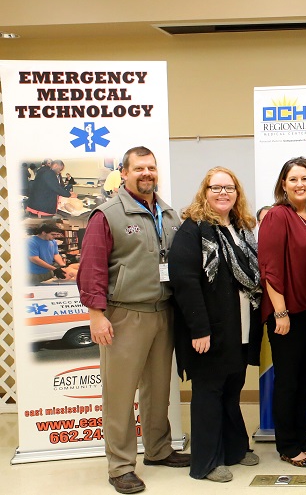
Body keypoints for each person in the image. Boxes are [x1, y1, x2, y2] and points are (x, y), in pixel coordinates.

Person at [77, 146, 189, 494]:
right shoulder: (107, 215)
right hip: (124, 314)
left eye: (151, 168)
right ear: (123, 173)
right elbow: (92, 268)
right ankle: (121, 466)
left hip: (163, 312)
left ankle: (158, 449)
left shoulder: (169, 214)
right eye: (139, 168)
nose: (146, 174)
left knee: (158, 389)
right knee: (120, 394)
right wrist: (96, 315)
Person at [169, 167, 263, 482]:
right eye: (216, 187)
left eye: (229, 188)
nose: (223, 193)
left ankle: (235, 448)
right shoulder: (192, 229)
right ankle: (206, 462)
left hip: (241, 328)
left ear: (237, 193)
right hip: (208, 330)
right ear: (204, 191)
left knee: (231, 389)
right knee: (209, 392)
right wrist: (199, 330)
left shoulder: (241, 227)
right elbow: (185, 283)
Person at [258, 157, 306, 468]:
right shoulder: (277, 216)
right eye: (293, 179)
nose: (300, 184)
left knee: (304, 380)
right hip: (287, 313)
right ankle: (287, 445)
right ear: (283, 184)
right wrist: (280, 313)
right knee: (287, 380)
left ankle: (303, 440)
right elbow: (269, 269)